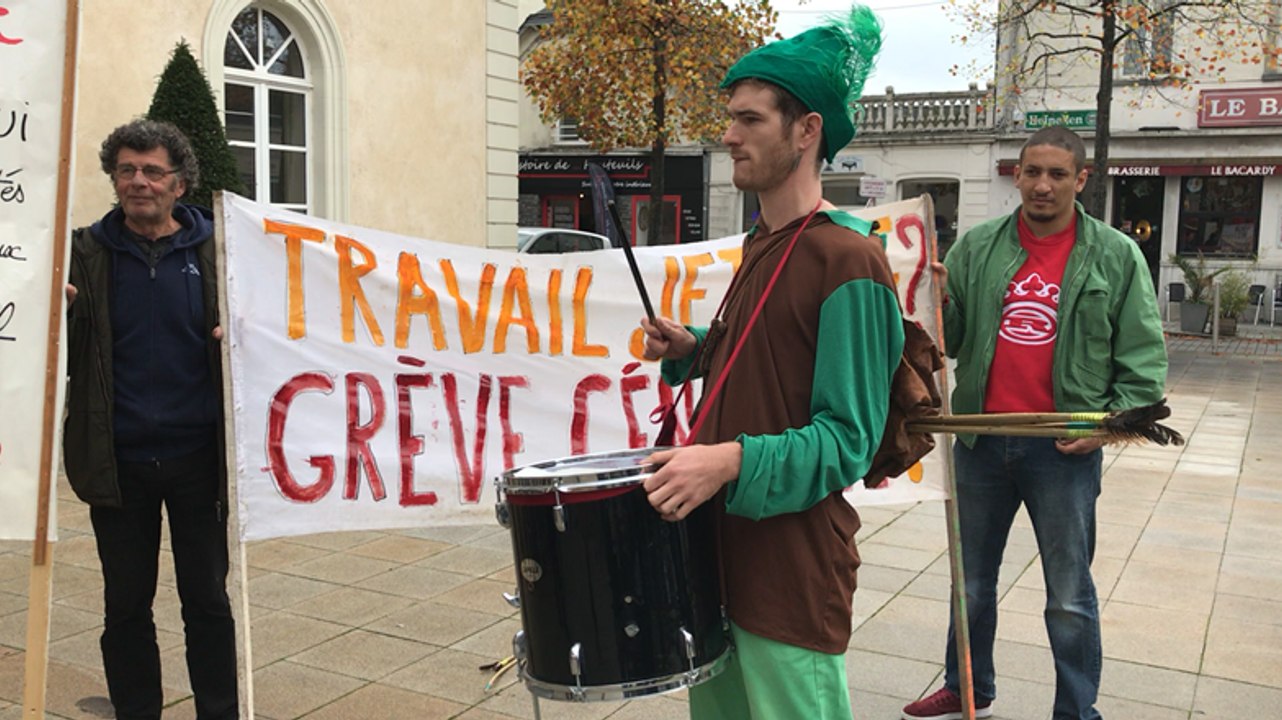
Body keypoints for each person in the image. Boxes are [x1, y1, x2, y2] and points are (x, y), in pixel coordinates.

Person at [639, 7, 917, 718]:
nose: (727, 135)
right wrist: (695, 348)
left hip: (791, 579)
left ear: (807, 130)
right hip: (719, 561)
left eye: (750, 119)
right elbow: (772, 358)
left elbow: (847, 439)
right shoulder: (761, 245)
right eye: (730, 117)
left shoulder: (848, 260)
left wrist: (726, 461)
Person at [901, 126, 1167, 720]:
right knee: (969, 583)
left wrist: (1110, 427)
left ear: (1081, 179)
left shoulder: (1115, 255)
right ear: (1017, 175)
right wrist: (936, 302)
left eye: (1055, 174)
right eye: (1031, 172)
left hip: (1062, 446)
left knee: (1069, 596)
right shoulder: (978, 246)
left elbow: (1143, 359)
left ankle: (1077, 711)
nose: (1041, 185)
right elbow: (955, 339)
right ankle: (968, 687)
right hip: (980, 440)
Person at [64, 119, 238, 720]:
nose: (138, 181)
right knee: (126, 606)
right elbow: (50, 348)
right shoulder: (83, 255)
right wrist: (54, 314)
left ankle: (219, 710)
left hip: (199, 460)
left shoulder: (223, 250)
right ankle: (137, 711)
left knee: (209, 602)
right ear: (114, 179)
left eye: (152, 171)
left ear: (180, 184)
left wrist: (237, 335)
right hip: (119, 460)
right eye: (126, 170)